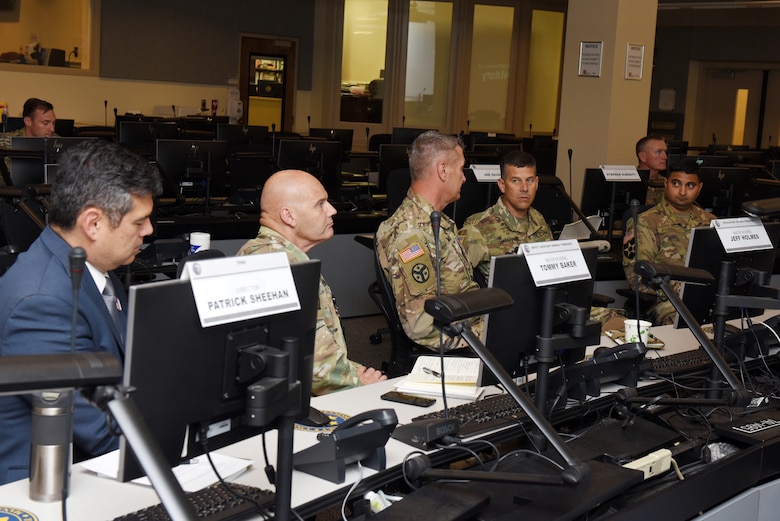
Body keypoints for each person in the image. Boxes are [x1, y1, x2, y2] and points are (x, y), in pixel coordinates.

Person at [0, 140, 161, 485]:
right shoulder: (41, 302)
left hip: (98, 466)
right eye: (140, 221)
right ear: (93, 223)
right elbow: (97, 428)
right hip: (48, 489)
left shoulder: (94, 269)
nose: (149, 231)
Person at [237, 169, 386, 395]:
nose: (332, 210)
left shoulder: (270, 254)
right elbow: (315, 366)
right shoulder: (282, 268)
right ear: (289, 216)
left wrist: (353, 372)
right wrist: (360, 383)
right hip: (296, 401)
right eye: (320, 204)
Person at [376, 130, 481, 351]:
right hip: (458, 345)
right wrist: (486, 334)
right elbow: (423, 326)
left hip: (469, 322)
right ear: (443, 170)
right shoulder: (411, 234)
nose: (464, 177)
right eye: (461, 169)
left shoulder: (435, 222)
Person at [622, 158, 715, 325]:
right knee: (685, 321)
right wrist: (679, 291)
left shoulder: (710, 222)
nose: (682, 192)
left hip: (708, 297)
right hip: (667, 302)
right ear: (665, 183)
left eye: (690, 186)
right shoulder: (645, 222)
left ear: (699, 188)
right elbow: (637, 278)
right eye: (676, 184)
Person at [459, 150, 552, 279]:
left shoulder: (539, 219)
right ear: (502, 185)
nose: (524, 188)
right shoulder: (478, 228)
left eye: (529, 180)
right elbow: (456, 285)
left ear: (536, 183)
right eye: (515, 181)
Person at [636, 135, 668, 205]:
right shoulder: (630, 182)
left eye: (665, 152)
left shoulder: (667, 184)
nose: (665, 157)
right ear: (642, 157)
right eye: (658, 152)